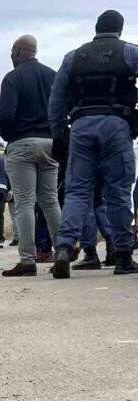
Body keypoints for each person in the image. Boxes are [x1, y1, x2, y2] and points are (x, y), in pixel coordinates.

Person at [48, 10, 138, 278]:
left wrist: (57, 131)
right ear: (119, 29)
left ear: (96, 28)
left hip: (81, 125)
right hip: (116, 125)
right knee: (118, 192)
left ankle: (64, 247)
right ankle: (123, 256)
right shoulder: (129, 53)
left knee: (77, 191)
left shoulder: (73, 56)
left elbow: (57, 97)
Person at [0, 34, 62, 277]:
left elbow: (5, 115)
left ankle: (27, 260)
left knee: (24, 203)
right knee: (50, 200)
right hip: (50, 143)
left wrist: (7, 135)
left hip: (22, 143)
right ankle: (62, 252)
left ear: (17, 52)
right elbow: (61, 109)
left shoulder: (13, 78)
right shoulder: (52, 75)